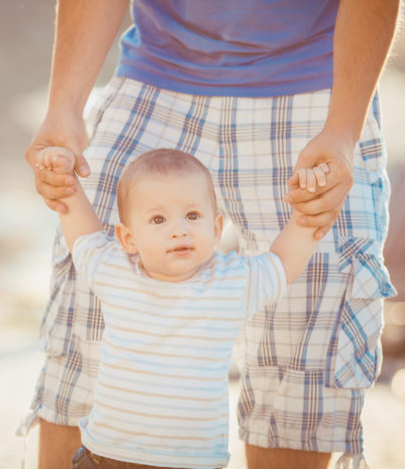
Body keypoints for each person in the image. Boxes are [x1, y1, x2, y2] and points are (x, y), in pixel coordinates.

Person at [22, 0, 402, 468]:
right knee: (81, 338)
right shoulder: (106, 258)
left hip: (316, 81)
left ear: (214, 224)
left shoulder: (238, 284)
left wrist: (341, 135)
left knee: (302, 369)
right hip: (155, 75)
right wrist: (64, 108)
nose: (177, 231)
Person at [35, 147, 327, 469]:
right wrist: (65, 180)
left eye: (192, 215)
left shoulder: (231, 282)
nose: (179, 229)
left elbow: (283, 263)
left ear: (216, 228)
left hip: (193, 463)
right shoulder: (113, 270)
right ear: (128, 238)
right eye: (158, 219)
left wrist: (310, 209)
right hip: (108, 456)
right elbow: (81, 231)